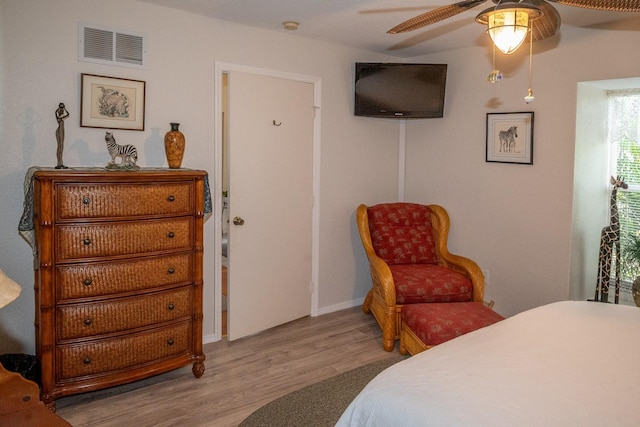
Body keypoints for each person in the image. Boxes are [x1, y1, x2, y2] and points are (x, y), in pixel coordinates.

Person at [55, 102, 69, 169]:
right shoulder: (59, 117)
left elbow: (68, 114)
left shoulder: (61, 117)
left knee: (61, 146)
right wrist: (61, 108)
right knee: (60, 146)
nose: (62, 110)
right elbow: (68, 114)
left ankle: (61, 162)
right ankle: (59, 163)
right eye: (62, 109)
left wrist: (63, 108)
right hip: (60, 131)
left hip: (62, 131)